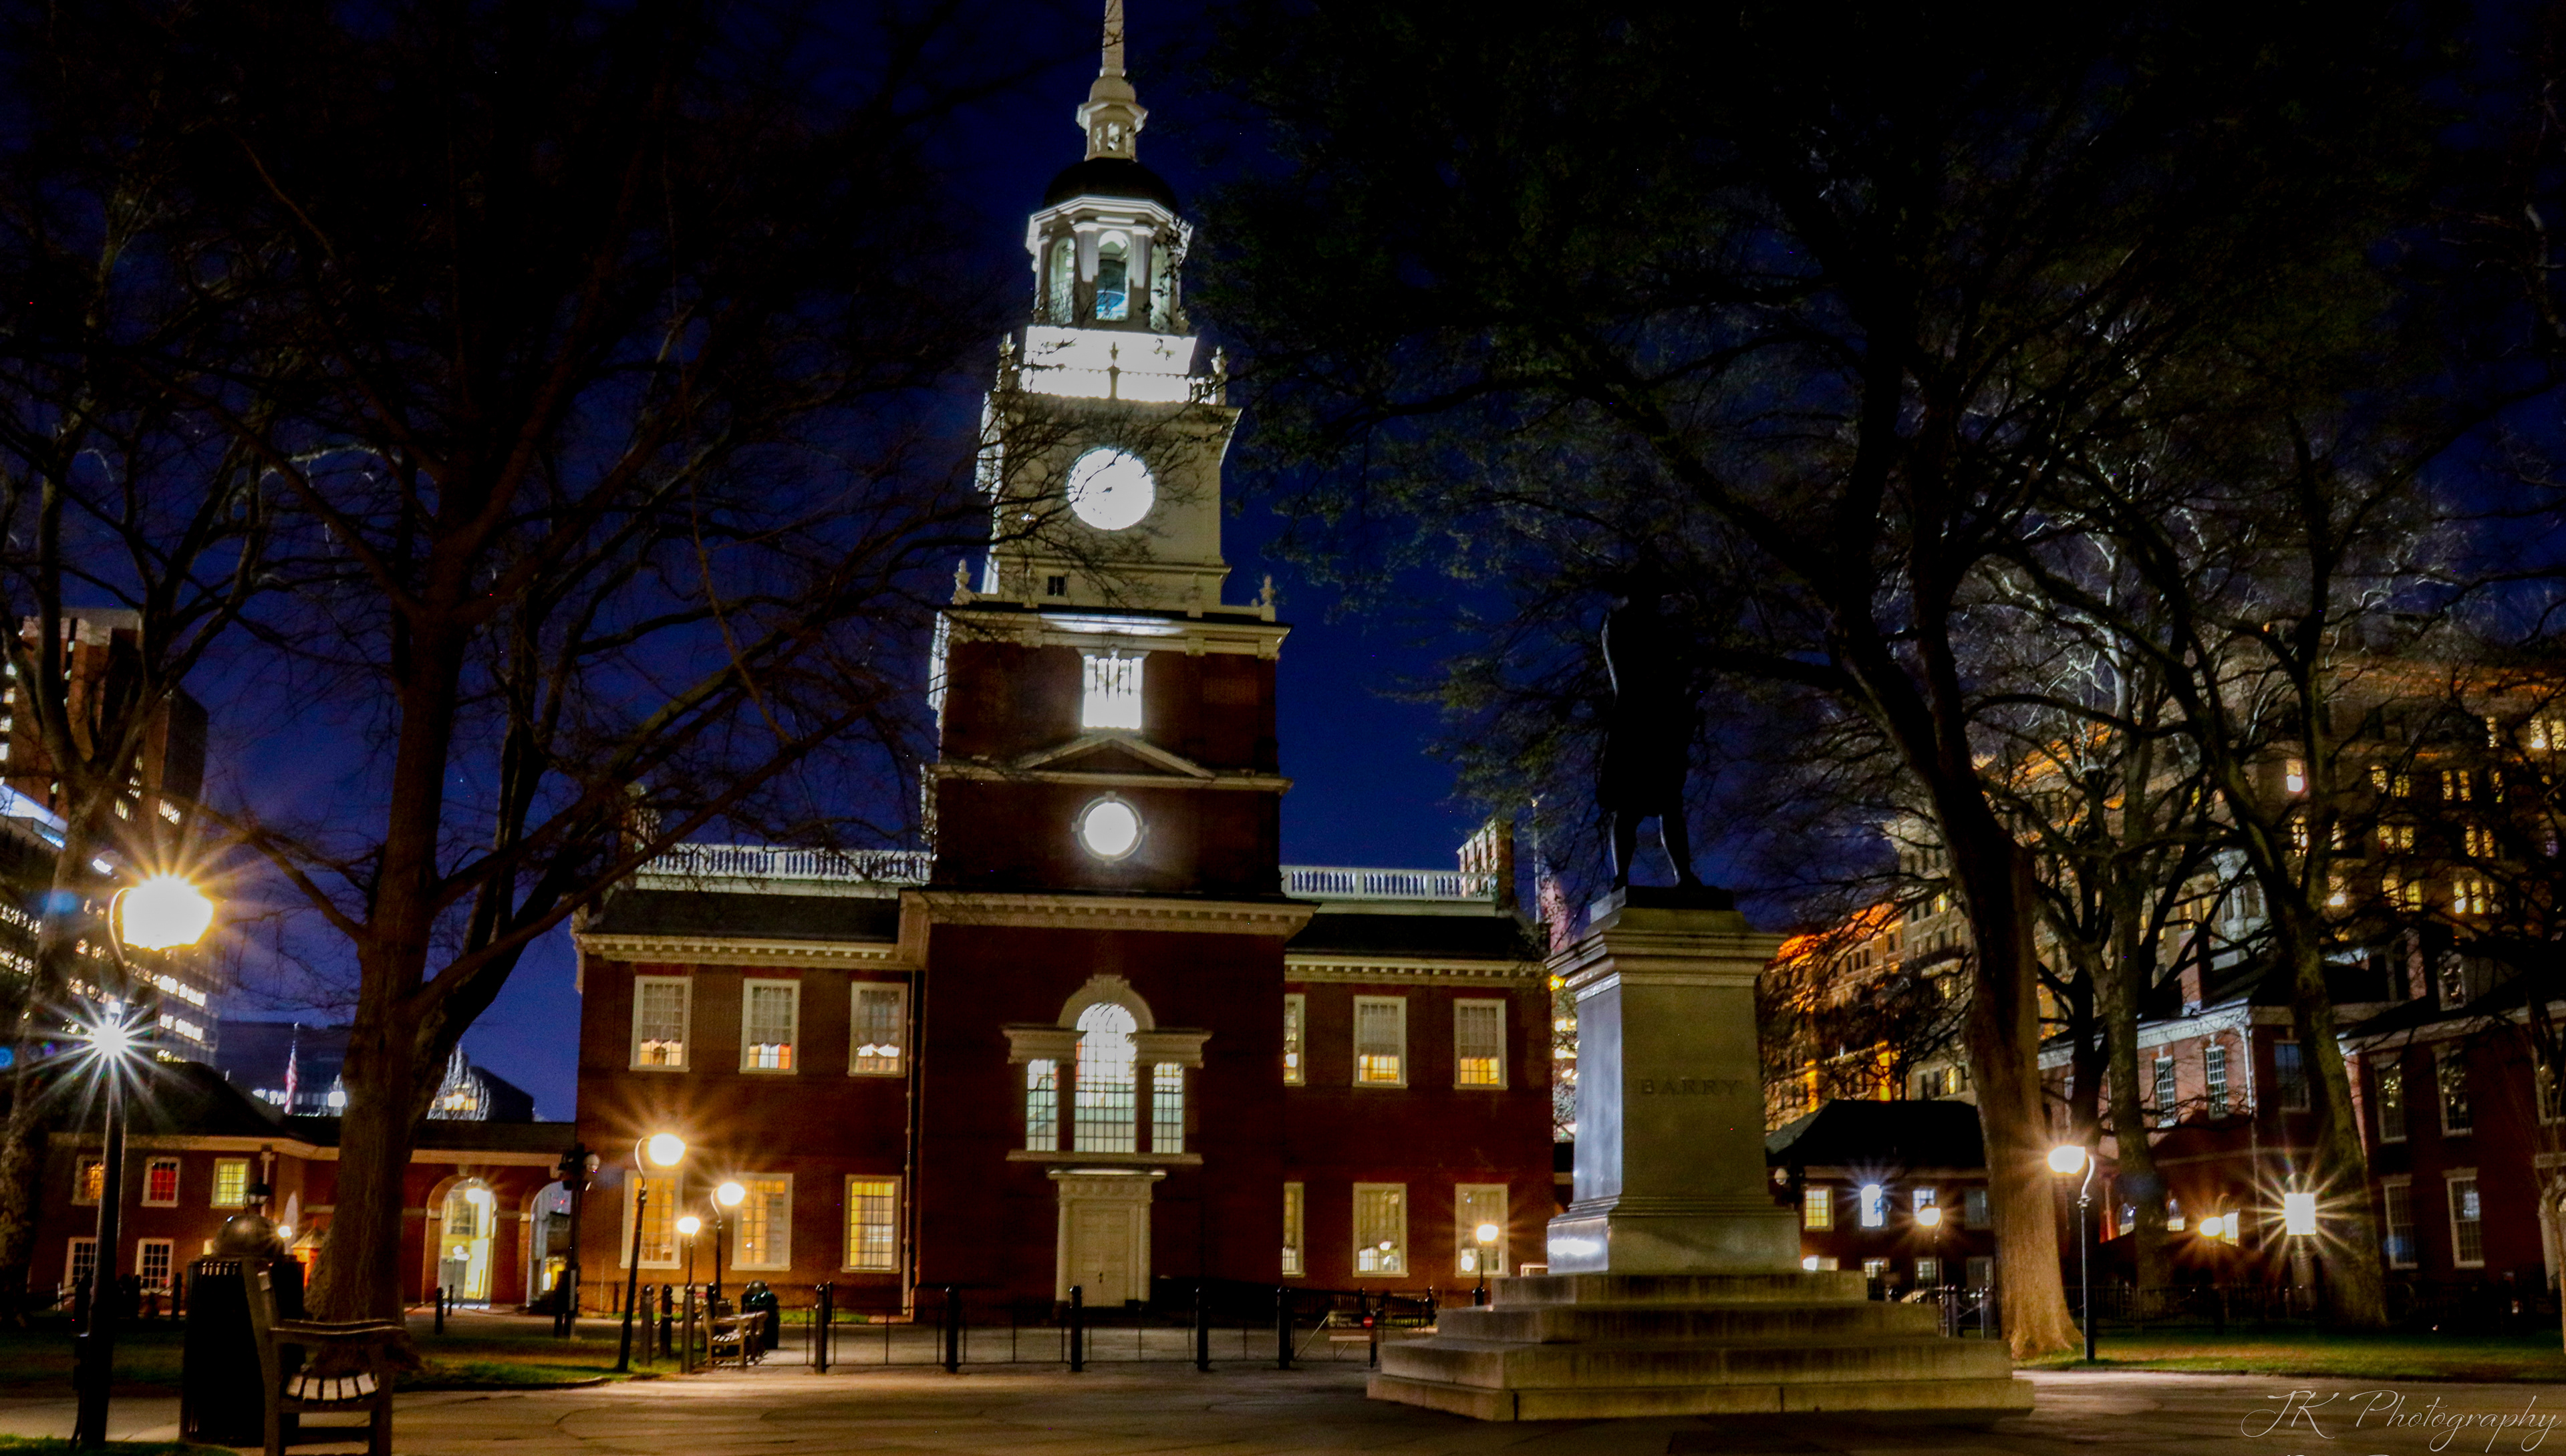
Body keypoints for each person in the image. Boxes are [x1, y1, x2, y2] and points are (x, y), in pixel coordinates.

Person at [1598, 580, 1705, 890]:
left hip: (1664, 732)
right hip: (1634, 732)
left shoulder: (1666, 650)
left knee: (1671, 805)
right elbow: (1614, 617)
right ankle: (1622, 879)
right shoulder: (1619, 641)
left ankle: (1683, 875)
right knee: (1627, 809)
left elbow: (1688, 682)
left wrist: (1693, 694)